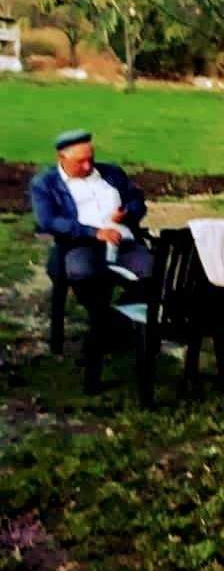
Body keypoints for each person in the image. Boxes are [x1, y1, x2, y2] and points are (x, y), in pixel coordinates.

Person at [30, 131, 153, 390]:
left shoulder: (111, 174)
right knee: (84, 274)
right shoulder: (46, 183)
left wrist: (127, 212)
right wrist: (93, 232)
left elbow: (137, 200)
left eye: (91, 159)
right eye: (80, 162)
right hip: (79, 245)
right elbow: (48, 221)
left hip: (123, 242)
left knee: (153, 271)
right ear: (61, 157)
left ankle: (119, 323)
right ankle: (107, 326)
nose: (88, 166)